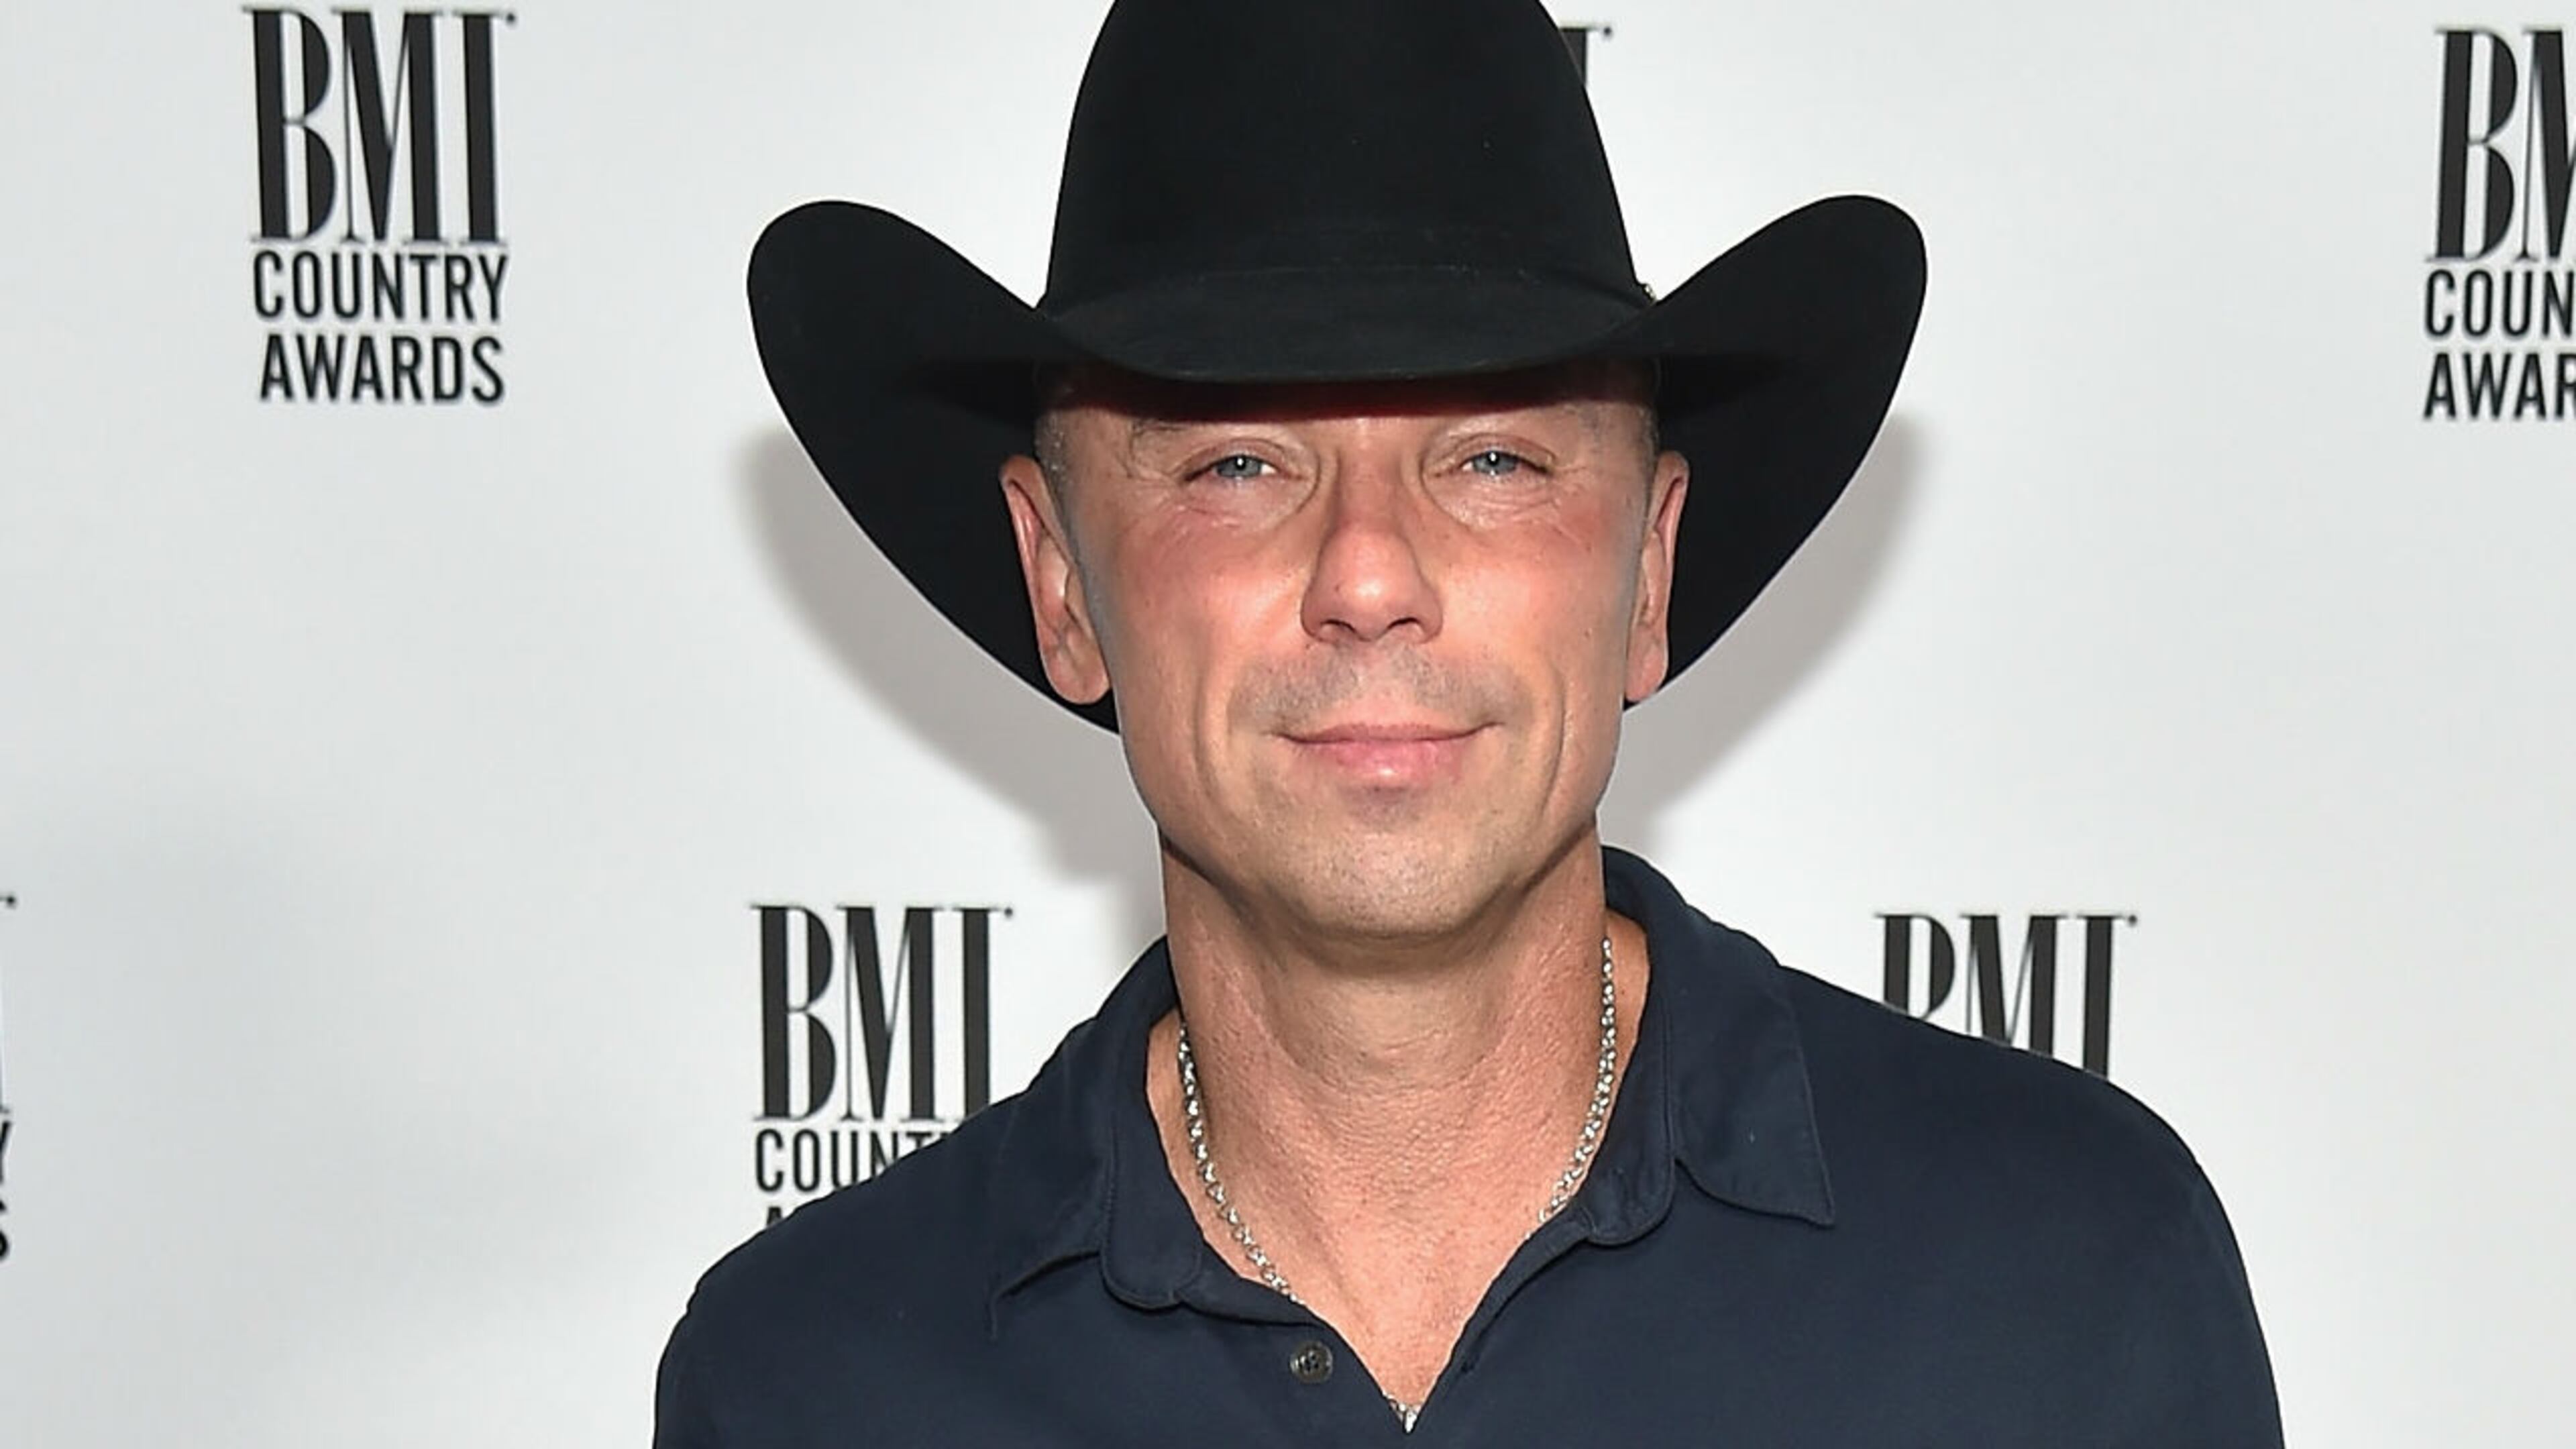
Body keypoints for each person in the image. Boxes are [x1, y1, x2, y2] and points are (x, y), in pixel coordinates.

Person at [655, 1, 2282, 1442]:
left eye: (1493, 459)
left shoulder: (2066, 1278)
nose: (1368, 576)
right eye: (1237, 465)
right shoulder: (806, 1382)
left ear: (1649, 574)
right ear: (1061, 584)